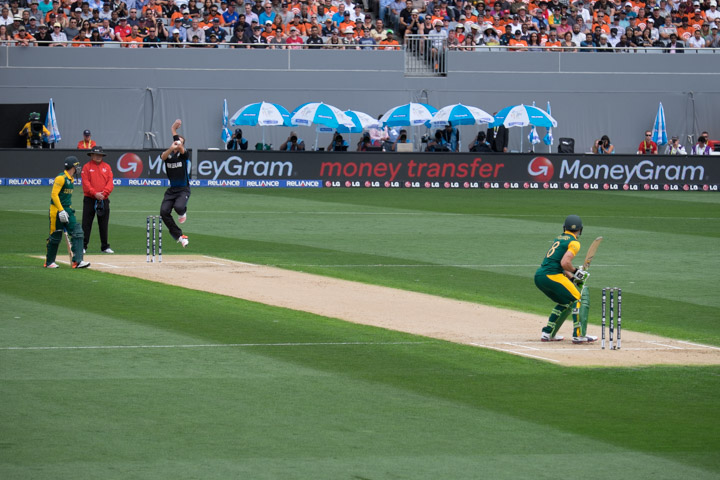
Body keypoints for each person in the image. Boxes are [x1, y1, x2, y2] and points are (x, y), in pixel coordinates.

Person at [535, 215, 596, 344]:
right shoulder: (574, 242)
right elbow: (564, 263)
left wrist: (572, 278)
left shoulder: (559, 238)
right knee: (578, 298)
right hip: (552, 275)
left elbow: (558, 263)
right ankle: (578, 335)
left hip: (540, 277)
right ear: (580, 229)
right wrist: (576, 272)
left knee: (565, 302)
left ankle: (547, 333)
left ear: (564, 227)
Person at [45, 156, 90, 269]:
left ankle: (78, 261)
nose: (77, 168)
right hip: (56, 210)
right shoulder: (61, 178)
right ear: (72, 166)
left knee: (78, 231)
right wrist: (61, 210)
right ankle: (49, 262)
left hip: (68, 210)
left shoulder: (71, 179)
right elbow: (54, 195)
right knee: (55, 236)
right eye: (76, 166)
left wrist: (66, 211)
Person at [159, 119, 191, 248]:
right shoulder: (169, 155)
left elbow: (181, 148)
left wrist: (173, 131)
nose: (178, 144)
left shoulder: (184, 155)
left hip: (183, 189)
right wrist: (171, 147)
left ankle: (183, 212)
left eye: (180, 143)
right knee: (164, 212)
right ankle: (180, 236)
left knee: (178, 208)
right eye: (176, 142)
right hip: (172, 190)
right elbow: (163, 157)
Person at [80, 146, 114, 254]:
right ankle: (83, 246)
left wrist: (104, 194)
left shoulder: (107, 167)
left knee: (103, 224)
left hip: (103, 199)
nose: (98, 157)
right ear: (92, 155)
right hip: (90, 199)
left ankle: (105, 246)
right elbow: (86, 184)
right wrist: (95, 193)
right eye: (96, 155)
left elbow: (110, 183)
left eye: (100, 155)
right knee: (86, 224)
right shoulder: (86, 167)